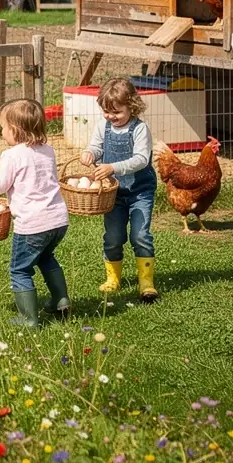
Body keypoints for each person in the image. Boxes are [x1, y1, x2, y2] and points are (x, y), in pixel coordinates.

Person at [0, 100, 70, 328]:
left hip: (32, 225)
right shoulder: (48, 150)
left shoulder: (12, 155)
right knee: (46, 258)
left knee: (20, 269)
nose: (1, 131)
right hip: (57, 220)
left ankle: (28, 319)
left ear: (15, 130)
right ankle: (61, 300)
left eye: (3, 127)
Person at [81, 77, 158, 302]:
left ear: (132, 106)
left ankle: (146, 282)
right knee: (113, 237)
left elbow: (142, 159)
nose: (111, 117)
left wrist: (112, 167)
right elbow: (96, 146)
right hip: (113, 194)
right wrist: (90, 153)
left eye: (117, 112)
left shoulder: (140, 129)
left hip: (139, 192)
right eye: (106, 111)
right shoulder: (102, 126)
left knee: (140, 235)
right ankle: (113, 278)